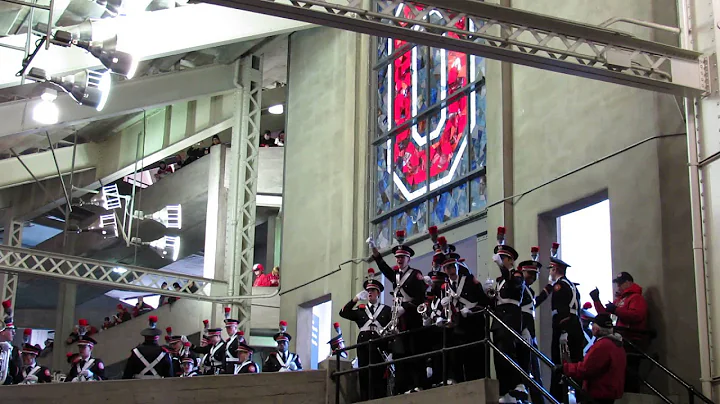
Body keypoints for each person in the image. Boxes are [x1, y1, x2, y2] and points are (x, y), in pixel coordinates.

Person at [367, 231, 426, 394]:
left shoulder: (416, 275)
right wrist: (374, 249)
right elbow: (383, 267)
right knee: (400, 353)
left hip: (412, 318)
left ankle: (417, 384)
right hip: (398, 321)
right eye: (398, 257)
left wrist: (406, 307)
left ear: (408, 258)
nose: (399, 260)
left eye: (402, 257)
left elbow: (421, 297)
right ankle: (402, 387)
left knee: (414, 351)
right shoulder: (395, 275)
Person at [535, 253, 585, 402]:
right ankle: (579, 396)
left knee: (559, 362)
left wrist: (562, 330)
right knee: (576, 362)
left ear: (555, 269)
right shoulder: (570, 284)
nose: (549, 272)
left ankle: (557, 398)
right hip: (574, 325)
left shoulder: (560, 286)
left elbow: (561, 310)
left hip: (565, 326)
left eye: (551, 269)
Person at [591, 271, 648, 393]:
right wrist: (596, 300)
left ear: (629, 283)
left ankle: (631, 394)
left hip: (631, 339)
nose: (618, 287)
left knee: (630, 371)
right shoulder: (621, 299)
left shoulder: (636, 298)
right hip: (621, 339)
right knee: (621, 370)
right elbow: (606, 315)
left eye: (621, 284)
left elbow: (636, 315)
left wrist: (616, 310)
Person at [339, 269, 392, 400]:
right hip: (363, 344)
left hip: (380, 345)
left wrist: (391, 352)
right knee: (364, 373)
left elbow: (391, 329)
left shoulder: (386, 309)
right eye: (368, 291)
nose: (369, 293)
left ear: (378, 293)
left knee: (379, 374)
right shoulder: (360, 310)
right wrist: (355, 299)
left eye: (372, 291)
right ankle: (365, 399)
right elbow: (343, 312)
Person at [441, 251, 490, 384]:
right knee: (457, 358)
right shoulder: (445, 287)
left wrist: (471, 310)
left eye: (452, 266)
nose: (451, 270)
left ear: (457, 266)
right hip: (457, 328)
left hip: (474, 325)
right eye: (447, 267)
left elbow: (484, 303)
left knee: (475, 359)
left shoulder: (469, 281)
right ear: (444, 270)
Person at [490, 240, 527, 403]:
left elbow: (514, 286)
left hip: (510, 316)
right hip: (498, 318)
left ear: (510, 260)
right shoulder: (499, 280)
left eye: (503, 258)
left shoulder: (517, 275)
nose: (500, 260)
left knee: (508, 350)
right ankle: (504, 390)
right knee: (498, 355)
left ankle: (517, 384)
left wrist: (504, 269)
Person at [559, 313, 626, 404]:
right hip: (609, 392)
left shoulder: (602, 346)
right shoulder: (617, 345)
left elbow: (586, 369)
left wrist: (565, 368)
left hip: (599, 392)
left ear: (596, 328)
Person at [517, 256, 545, 404]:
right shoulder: (519, 286)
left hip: (530, 333)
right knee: (526, 369)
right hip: (523, 332)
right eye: (530, 274)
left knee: (534, 370)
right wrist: (523, 329)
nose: (532, 278)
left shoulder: (529, 291)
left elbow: (531, 307)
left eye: (534, 275)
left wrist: (548, 290)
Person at [1, 300, 20, 385]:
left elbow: (16, 371)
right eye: (11, 330)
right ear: (3, 331)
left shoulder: (14, 350)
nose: (14, 333)